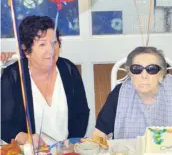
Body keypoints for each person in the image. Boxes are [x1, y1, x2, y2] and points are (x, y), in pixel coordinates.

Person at [1, 15, 90, 146]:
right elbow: (4, 124)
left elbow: (82, 113)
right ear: (26, 50)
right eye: (42, 44)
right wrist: (25, 138)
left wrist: (69, 144)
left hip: (66, 151)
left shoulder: (68, 69)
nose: (51, 50)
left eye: (54, 42)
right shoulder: (13, 75)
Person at [93, 46, 172, 139]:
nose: (144, 76)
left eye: (152, 69)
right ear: (130, 73)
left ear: (162, 74)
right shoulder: (120, 93)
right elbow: (99, 134)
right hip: (127, 153)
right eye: (137, 69)